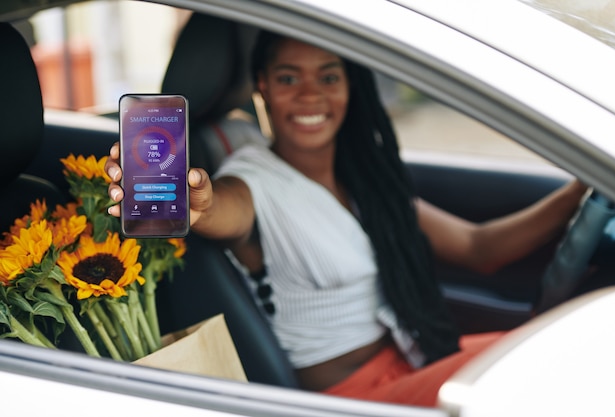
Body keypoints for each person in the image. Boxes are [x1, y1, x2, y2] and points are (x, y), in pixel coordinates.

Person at [106, 30, 588, 407]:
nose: (311, 95)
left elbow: (477, 249)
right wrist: (200, 205)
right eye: (289, 78)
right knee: (560, 366)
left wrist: (580, 191)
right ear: (263, 88)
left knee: (566, 347)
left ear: (350, 87)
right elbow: (226, 209)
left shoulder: (363, 176)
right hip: (352, 399)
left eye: (329, 77)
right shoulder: (253, 178)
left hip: (409, 358)